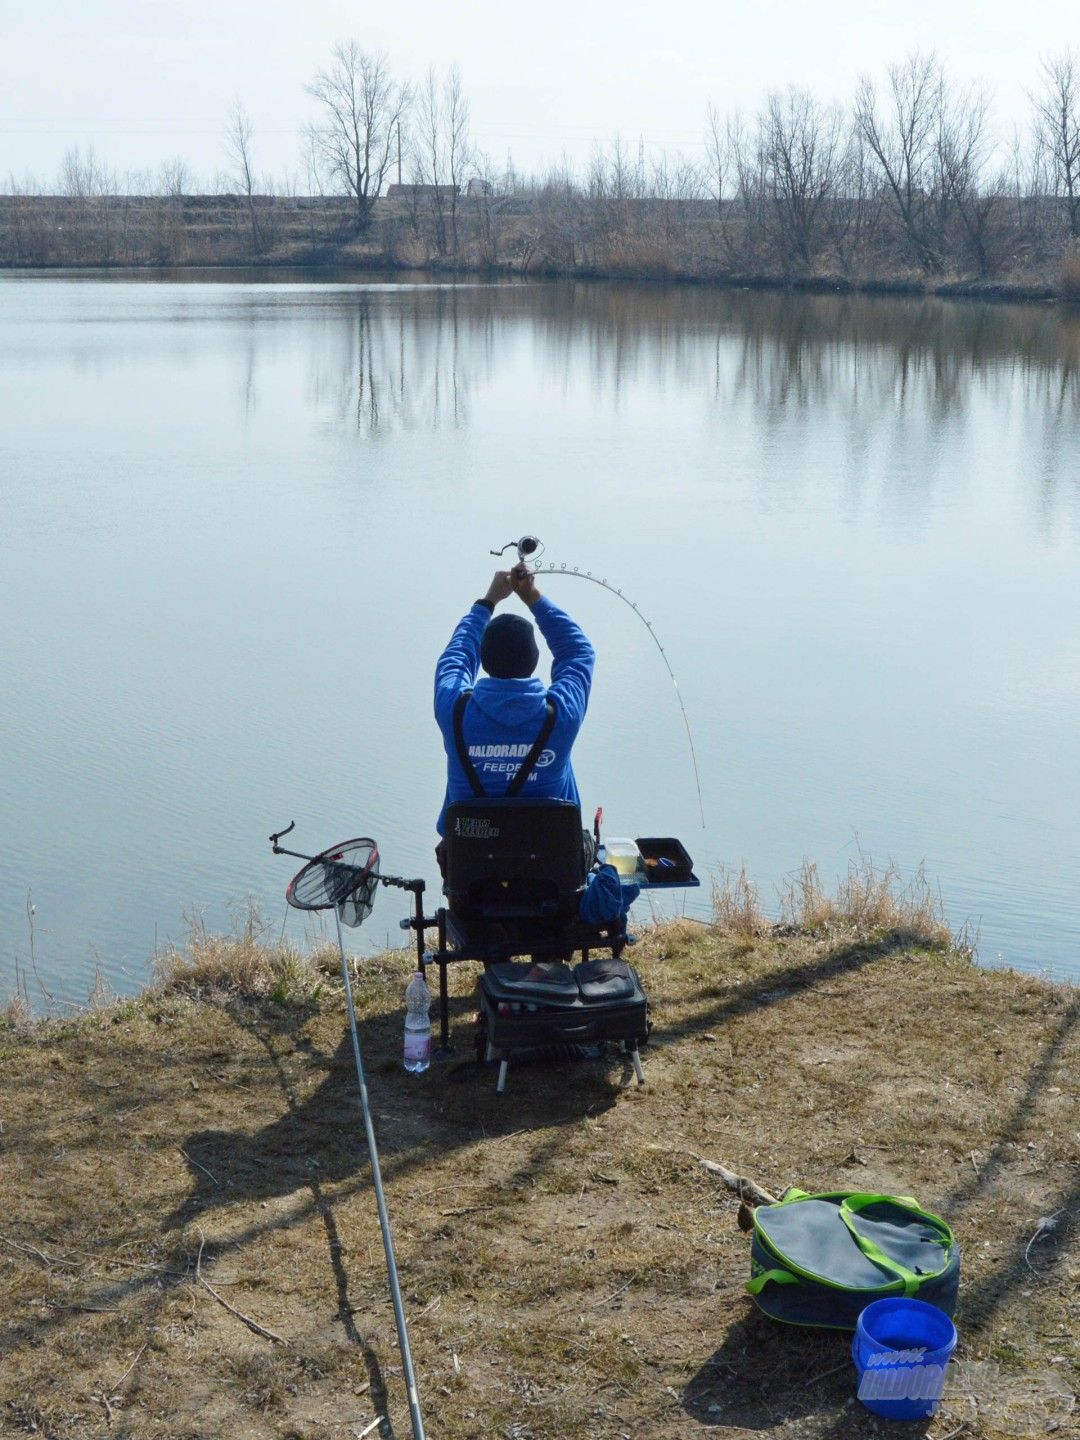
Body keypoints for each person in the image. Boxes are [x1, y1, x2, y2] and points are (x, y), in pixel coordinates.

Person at [434, 563, 595, 849]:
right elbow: (577, 651)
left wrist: (487, 602)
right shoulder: (562, 714)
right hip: (554, 880)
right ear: (534, 660)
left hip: (471, 882)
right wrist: (532, 596)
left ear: (483, 660)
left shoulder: (454, 710)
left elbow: (456, 658)